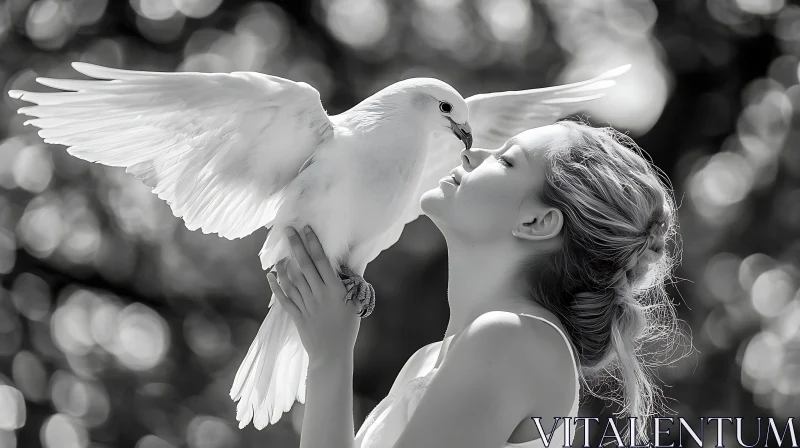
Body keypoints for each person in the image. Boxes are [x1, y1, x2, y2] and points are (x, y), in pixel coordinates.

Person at [267, 120, 681, 448]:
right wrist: (326, 354)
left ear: (536, 222)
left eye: (506, 160)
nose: (472, 152)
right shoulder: (436, 358)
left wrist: (332, 358)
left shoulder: (509, 340)